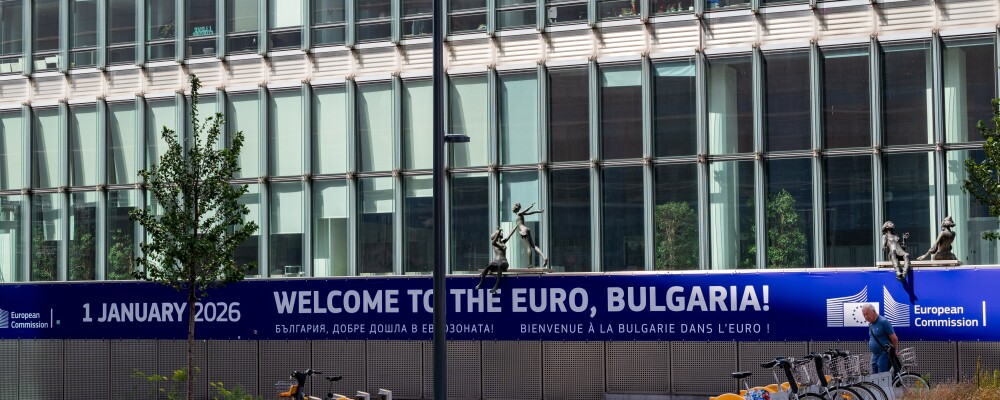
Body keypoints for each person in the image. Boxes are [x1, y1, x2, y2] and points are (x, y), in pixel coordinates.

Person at [504, 202, 549, 268]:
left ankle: (530, 264)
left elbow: (526, 211)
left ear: (516, 207)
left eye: (513, 206)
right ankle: (544, 257)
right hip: (526, 229)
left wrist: (530, 206)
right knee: (533, 245)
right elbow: (530, 213)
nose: (512, 208)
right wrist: (538, 211)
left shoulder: (519, 213)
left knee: (528, 247)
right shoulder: (519, 214)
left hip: (523, 231)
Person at [863, 304, 899, 374]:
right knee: (874, 374)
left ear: (874, 311)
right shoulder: (870, 324)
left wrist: (894, 351)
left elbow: (894, 338)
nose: (866, 317)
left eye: (867, 314)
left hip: (883, 353)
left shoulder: (883, 322)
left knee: (883, 375)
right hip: (874, 354)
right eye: (864, 315)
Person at [476, 227, 511, 294]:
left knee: (500, 266)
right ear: (496, 235)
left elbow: (509, 236)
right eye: (499, 233)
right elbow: (494, 241)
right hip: (496, 262)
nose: (501, 233)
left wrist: (516, 227)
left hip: (504, 262)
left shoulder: (503, 242)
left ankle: (496, 286)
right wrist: (499, 231)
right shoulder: (494, 243)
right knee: (489, 266)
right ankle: (480, 283)